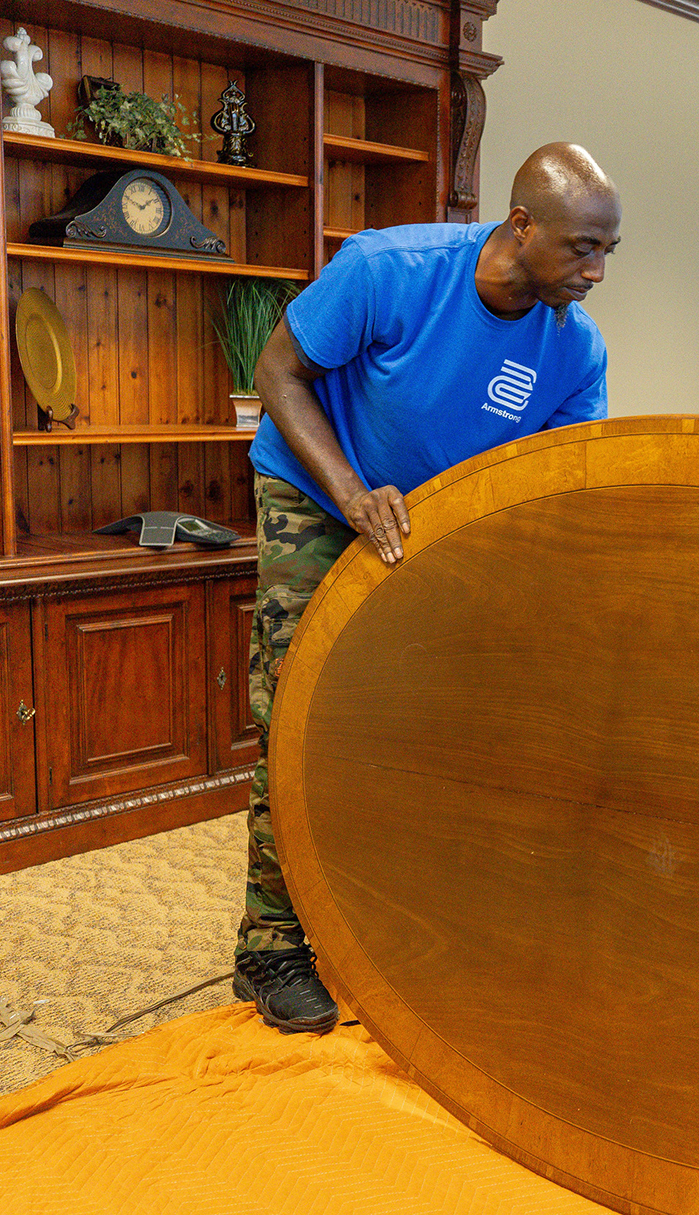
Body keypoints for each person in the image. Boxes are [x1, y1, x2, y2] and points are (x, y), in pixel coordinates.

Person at [232, 143, 622, 1034]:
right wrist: (351, 497)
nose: (596, 271)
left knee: (419, 725)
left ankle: (385, 924)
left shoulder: (575, 352)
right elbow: (276, 374)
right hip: (319, 489)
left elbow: (547, 484)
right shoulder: (389, 270)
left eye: (608, 252)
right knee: (299, 713)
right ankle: (270, 947)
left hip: (438, 519)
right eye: (581, 248)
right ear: (521, 226)